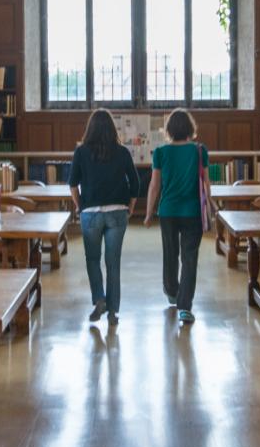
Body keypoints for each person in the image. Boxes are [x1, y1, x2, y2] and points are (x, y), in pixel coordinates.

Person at [69, 109, 140, 326]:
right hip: (117, 212)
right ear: (112, 128)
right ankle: (112, 312)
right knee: (113, 262)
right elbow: (136, 185)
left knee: (92, 259)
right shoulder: (122, 152)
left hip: (90, 213)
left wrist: (80, 205)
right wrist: (130, 207)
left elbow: (72, 183)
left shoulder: (80, 152)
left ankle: (99, 298)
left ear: (90, 129)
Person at [144, 108, 210, 326]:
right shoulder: (200, 151)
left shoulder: (161, 152)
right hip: (192, 212)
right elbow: (206, 184)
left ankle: (172, 291)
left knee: (170, 253)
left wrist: (148, 213)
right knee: (190, 258)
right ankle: (184, 307)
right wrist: (209, 206)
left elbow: (155, 185)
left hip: (168, 211)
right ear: (191, 129)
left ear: (169, 130)